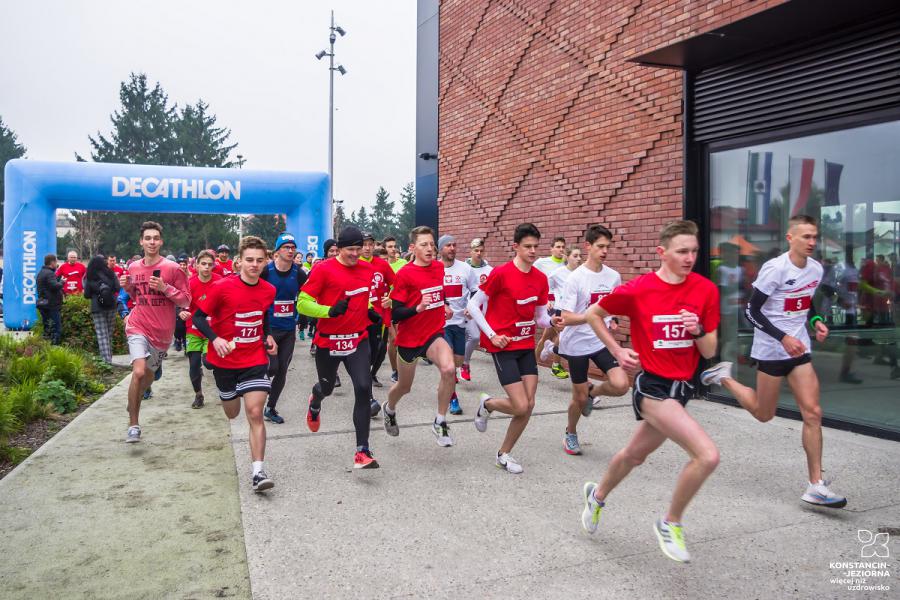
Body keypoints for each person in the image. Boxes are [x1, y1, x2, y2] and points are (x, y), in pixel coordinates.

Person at [578, 220, 720, 564]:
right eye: (682, 251)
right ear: (663, 252)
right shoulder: (640, 289)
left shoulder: (705, 291)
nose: (690, 258)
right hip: (653, 387)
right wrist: (617, 351)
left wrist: (697, 329)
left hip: (682, 389)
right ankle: (669, 522)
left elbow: (709, 350)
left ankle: (596, 496)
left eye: (694, 251)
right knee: (707, 455)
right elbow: (594, 314)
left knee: (633, 456)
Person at [701, 214, 847, 509]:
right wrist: (782, 338)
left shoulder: (815, 269)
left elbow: (806, 302)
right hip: (771, 350)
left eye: (815, 237)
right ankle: (724, 376)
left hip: (799, 350)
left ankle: (816, 485)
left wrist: (816, 320)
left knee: (813, 413)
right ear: (790, 238)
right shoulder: (775, 269)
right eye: (806, 237)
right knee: (763, 414)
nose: (812, 242)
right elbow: (752, 312)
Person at [193, 236, 278, 492]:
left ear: (266, 262)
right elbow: (198, 318)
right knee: (233, 412)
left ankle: (258, 472)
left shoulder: (268, 290)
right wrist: (215, 338)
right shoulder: (222, 287)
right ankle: (227, 394)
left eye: (259, 260)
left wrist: (267, 335)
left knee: (254, 412)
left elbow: (262, 316)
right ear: (239, 261)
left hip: (254, 358)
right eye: (249, 260)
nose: (254, 265)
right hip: (224, 360)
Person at [466, 223, 552, 474]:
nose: (533, 251)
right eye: (528, 247)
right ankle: (489, 404)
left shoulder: (540, 279)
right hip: (503, 347)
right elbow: (473, 306)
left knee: (529, 404)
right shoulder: (501, 274)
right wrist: (492, 335)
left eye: (536, 246)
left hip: (525, 346)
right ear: (515, 247)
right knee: (520, 405)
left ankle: (504, 453)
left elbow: (540, 318)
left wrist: (554, 320)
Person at [297, 226, 381, 469]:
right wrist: (328, 311)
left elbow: (359, 300)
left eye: (359, 249)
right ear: (339, 249)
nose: (356, 254)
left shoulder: (368, 269)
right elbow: (302, 303)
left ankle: (362, 451)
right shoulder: (323, 269)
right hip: (329, 339)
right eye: (350, 250)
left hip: (357, 339)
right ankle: (315, 400)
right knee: (327, 387)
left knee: (363, 388)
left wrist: (370, 313)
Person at [549, 225, 627, 455]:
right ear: (588, 246)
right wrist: (592, 317)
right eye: (600, 246)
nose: (604, 251)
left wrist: (611, 320)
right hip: (576, 345)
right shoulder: (576, 278)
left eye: (607, 247)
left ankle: (595, 393)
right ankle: (571, 432)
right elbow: (565, 316)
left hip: (599, 341)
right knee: (579, 398)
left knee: (622, 384)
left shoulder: (613, 277)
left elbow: (612, 308)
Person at [383, 226, 457, 447]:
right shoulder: (404, 274)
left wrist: (443, 305)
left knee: (449, 369)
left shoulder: (437, 267)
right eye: (424, 244)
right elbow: (395, 313)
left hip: (434, 334)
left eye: (432, 244)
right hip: (409, 339)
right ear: (412, 248)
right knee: (404, 387)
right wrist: (417, 309)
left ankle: (440, 420)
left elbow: (438, 291)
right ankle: (390, 408)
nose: (430, 248)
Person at [120, 221, 191, 443]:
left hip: (162, 335)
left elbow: (186, 300)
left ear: (161, 241)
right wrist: (127, 287)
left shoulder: (172, 269)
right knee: (139, 372)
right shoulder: (133, 267)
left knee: (146, 381)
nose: (152, 242)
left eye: (155, 238)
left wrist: (165, 288)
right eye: (147, 238)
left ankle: (134, 401)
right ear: (141, 241)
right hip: (137, 325)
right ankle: (134, 424)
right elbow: (136, 298)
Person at [259, 233, 308, 424]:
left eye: (293, 247)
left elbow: (307, 295)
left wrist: (303, 316)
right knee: (272, 367)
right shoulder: (266, 271)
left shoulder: (299, 273)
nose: (290, 250)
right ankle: (255, 386)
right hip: (268, 329)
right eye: (286, 247)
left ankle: (270, 407)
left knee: (281, 370)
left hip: (288, 329)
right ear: (277, 251)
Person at [438, 234, 478, 415]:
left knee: (458, 361)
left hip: (460, 322)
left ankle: (448, 382)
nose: (452, 248)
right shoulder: (435, 269)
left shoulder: (465, 269)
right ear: (440, 249)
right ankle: (453, 398)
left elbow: (476, 290)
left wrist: (473, 306)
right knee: (449, 366)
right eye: (448, 245)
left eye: (454, 245)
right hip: (441, 324)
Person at [181, 250, 221, 409]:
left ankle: (223, 385)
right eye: (203, 264)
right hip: (193, 329)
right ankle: (198, 395)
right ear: (196, 265)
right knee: (194, 365)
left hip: (212, 331)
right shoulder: (190, 284)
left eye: (210, 265)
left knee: (209, 363)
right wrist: (182, 312)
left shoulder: (219, 282)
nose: (206, 267)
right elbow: (182, 303)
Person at [359, 232, 395, 408]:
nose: (367, 248)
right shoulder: (353, 264)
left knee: (379, 350)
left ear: (374, 246)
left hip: (379, 316)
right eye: (364, 244)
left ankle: (368, 375)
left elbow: (397, 284)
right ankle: (367, 395)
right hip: (359, 317)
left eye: (370, 244)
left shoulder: (382, 264)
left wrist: (391, 298)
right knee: (363, 354)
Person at [533, 236, 569, 379]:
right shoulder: (542, 262)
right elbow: (530, 274)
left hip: (564, 305)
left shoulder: (567, 264)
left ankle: (531, 365)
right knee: (563, 332)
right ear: (551, 249)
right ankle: (555, 365)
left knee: (547, 336)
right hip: (549, 304)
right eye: (558, 247)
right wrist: (543, 297)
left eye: (562, 247)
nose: (561, 249)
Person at [461, 238, 492, 382]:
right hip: (461, 308)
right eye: (476, 250)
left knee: (473, 337)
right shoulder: (463, 268)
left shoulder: (489, 270)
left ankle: (463, 364)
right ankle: (459, 365)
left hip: (480, 310)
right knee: (470, 337)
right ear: (470, 251)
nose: (479, 253)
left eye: (481, 250)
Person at [83, 255, 122, 364]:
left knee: (101, 334)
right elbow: (117, 288)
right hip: (111, 305)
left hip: (97, 307)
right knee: (108, 334)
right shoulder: (111, 273)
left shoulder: (90, 276)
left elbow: (86, 295)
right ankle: (108, 358)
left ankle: (106, 362)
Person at [383, 236, 408, 383]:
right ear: (385, 249)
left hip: (399, 305)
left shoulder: (403, 263)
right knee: (392, 340)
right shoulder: (381, 264)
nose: (394, 249)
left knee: (400, 339)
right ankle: (395, 370)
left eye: (394, 246)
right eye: (390, 247)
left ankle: (401, 369)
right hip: (385, 307)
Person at [36, 253, 64, 344]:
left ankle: (46, 347)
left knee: (47, 328)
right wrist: (62, 282)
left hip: (43, 304)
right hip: (51, 305)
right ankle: (54, 349)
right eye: (56, 262)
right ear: (52, 262)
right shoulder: (49, 273)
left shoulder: (41, 272)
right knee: (56, 328)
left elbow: (48, 286)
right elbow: (55, 286)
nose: (57, 264)